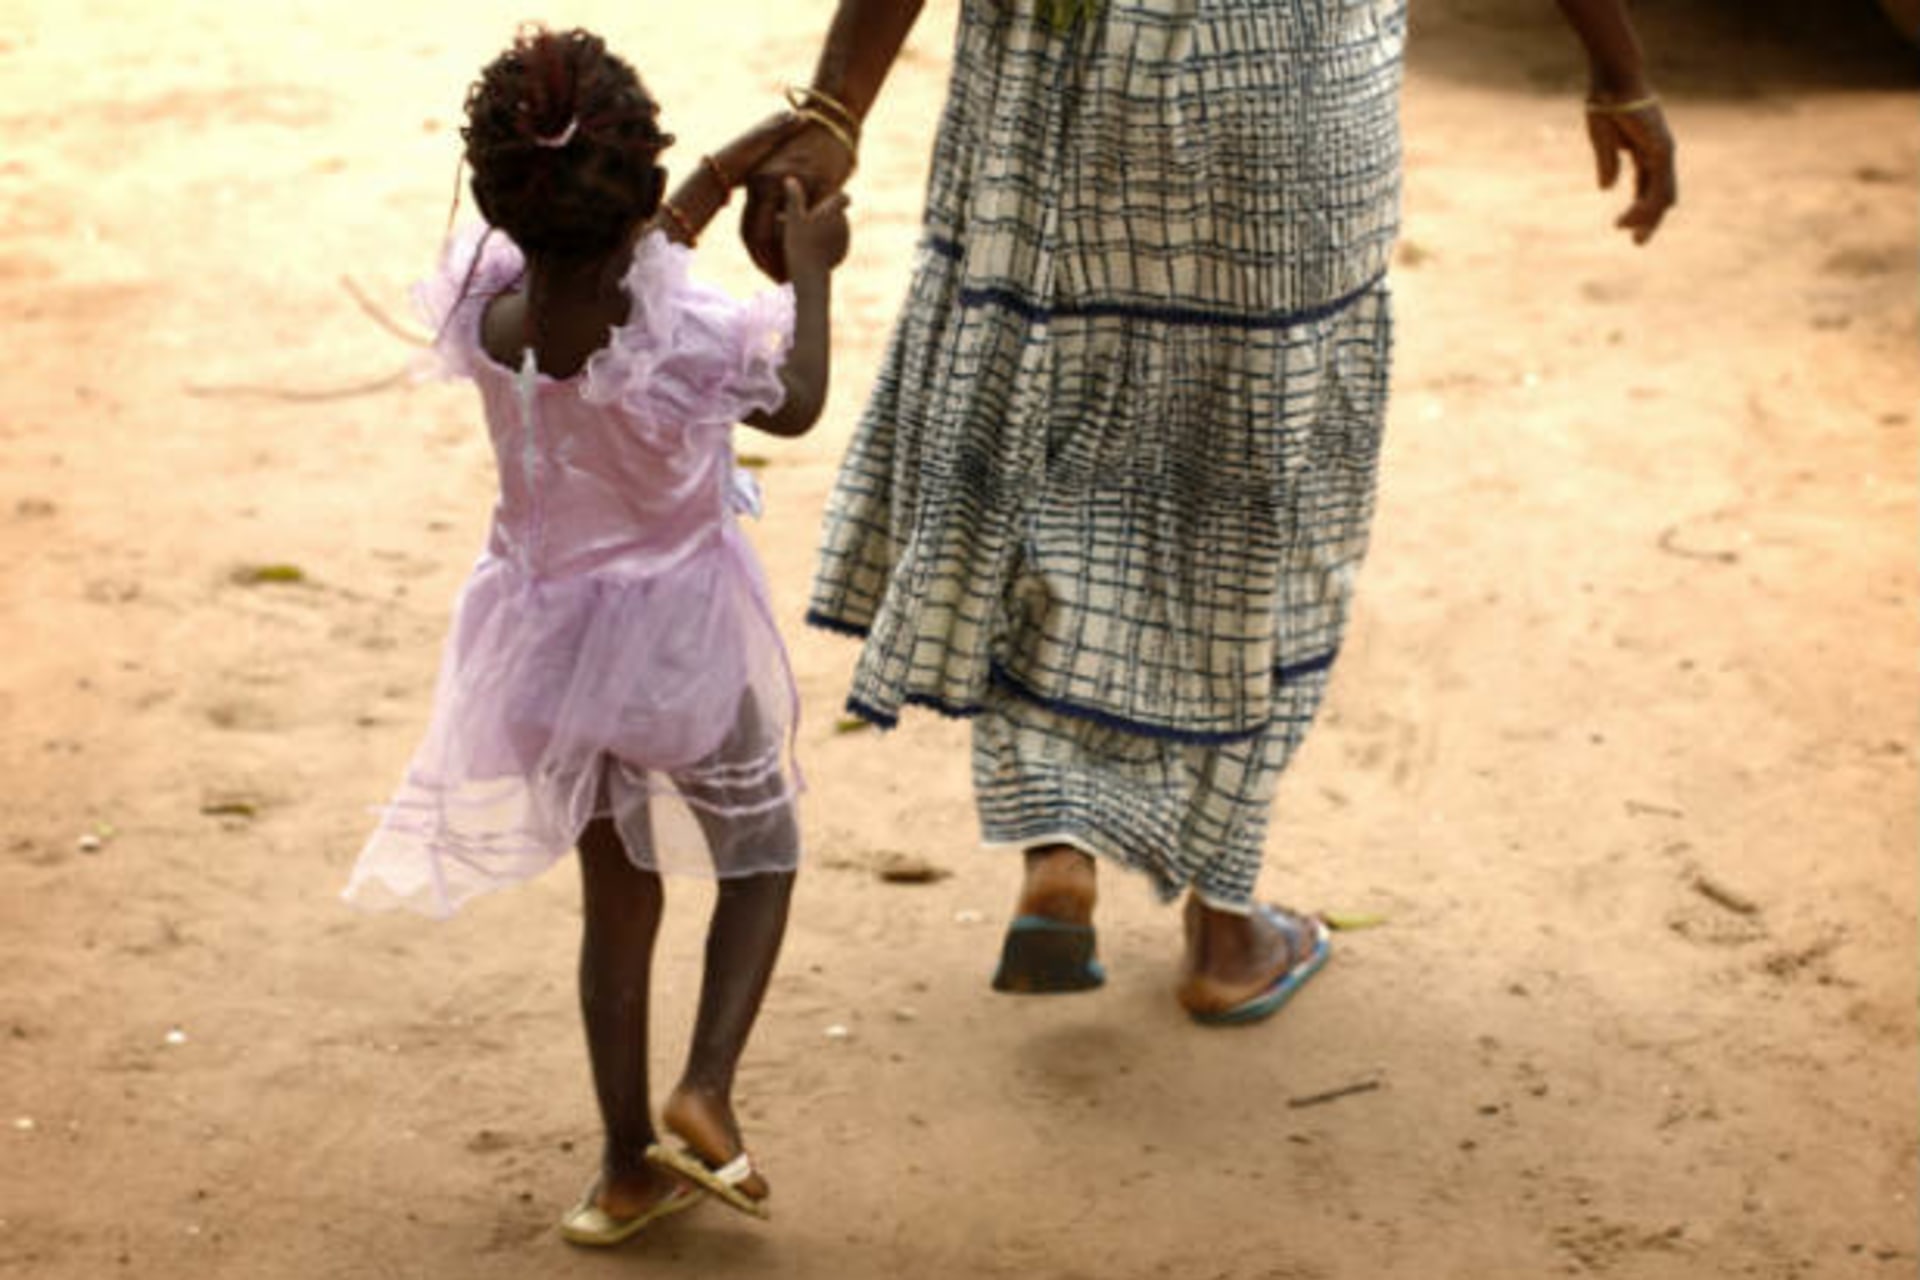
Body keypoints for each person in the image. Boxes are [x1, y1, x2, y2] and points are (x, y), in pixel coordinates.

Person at [738, 0, 1676, 1023]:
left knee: (1052, 432)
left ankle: (1059, 843)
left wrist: (837, 105)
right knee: (1261, 485)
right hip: (1288, 91)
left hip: (1059, 93)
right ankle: (1223, 925)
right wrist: (1619, 69)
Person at [343, 26, 849, 1241]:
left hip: (540, 647)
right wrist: (814, 268)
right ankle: (706, 1086)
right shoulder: (687, 331)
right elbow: (800, 400)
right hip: (676, 641)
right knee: (761, 851)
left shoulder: (488, 299)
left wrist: (722, 176)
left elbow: (613, 265)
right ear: (635, 180)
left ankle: (627, 1162)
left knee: (615, 903)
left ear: (504, 194)